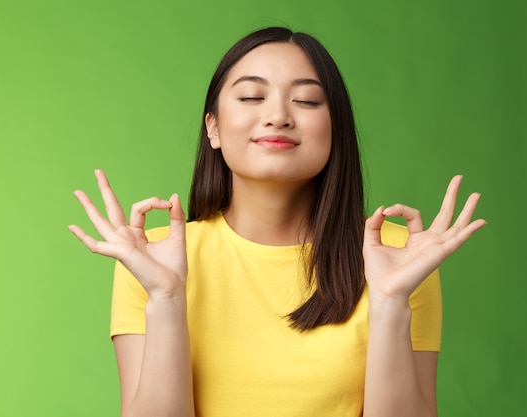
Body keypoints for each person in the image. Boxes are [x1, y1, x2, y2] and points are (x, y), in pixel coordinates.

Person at [69, 27, 486, 417]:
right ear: (212, 128)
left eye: (306, 101)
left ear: (335, 129)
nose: (278, 116)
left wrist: (391, 303)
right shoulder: (151, 258)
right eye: (251, 97)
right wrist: (165, 298)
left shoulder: (401, 255)